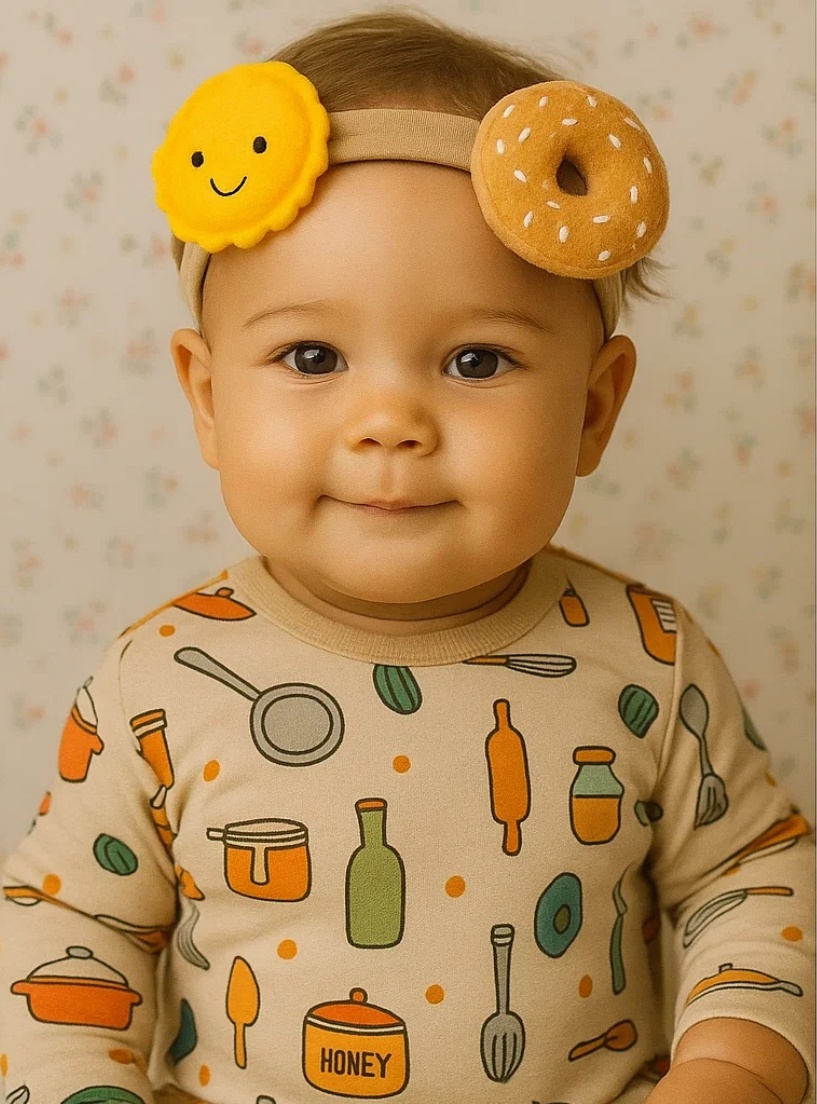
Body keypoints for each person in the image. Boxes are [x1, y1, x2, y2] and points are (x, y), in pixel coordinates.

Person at [0, 9, 813, 1104]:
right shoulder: (158, 685)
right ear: (207, 398)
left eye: (477, 359)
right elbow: (66, 930)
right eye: (312, 354)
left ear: (592, 406)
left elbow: (753, 876)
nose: (389, 420)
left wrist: (736, 1067)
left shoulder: (647, 663)